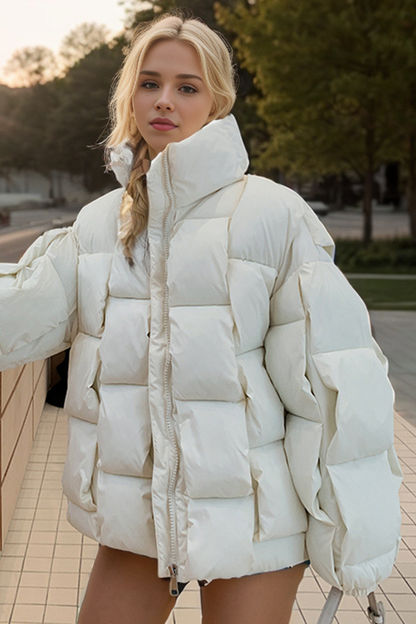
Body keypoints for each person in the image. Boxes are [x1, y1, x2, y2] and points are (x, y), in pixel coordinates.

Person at [0, 11, 402, 624]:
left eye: (187, 87)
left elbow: (334, 382)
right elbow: (17, 315)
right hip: (143, 519)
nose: (165, 100)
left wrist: (356, 544)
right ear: (130, 94)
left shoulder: (274, 215)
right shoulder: (97, 226)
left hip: (259, 520)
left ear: (216, 103)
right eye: (150, 82)